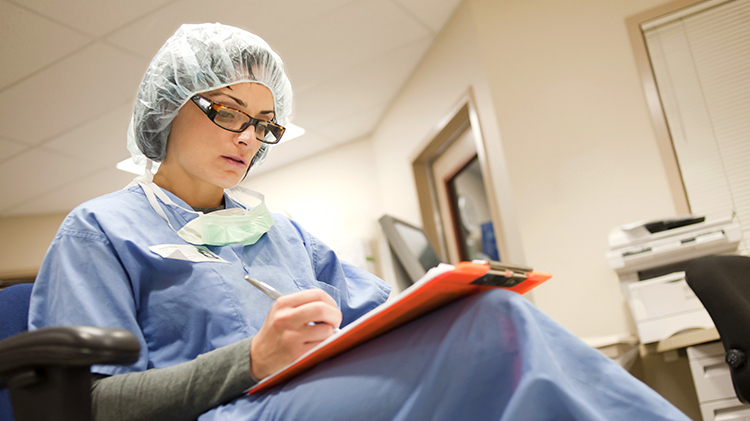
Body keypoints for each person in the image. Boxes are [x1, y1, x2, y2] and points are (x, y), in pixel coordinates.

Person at [28, 23, 691, 421]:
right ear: (168, 108)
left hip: (312, 394)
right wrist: (251, 358)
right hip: (228, 413)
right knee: (497, 334)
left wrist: (445, 292)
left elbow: (381, 313)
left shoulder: (277, 231)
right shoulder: (100, 230)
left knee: (491, 317)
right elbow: (89, 407)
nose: (248, 138)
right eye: (227, 111)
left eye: (263, 125)